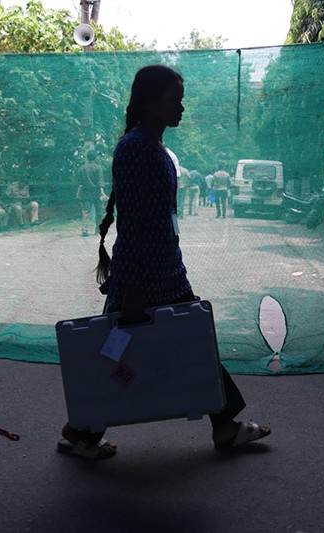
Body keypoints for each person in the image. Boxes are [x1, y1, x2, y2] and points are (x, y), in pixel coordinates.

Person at [58, 64, 271, 460]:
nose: (182, 108)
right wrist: (133, 287)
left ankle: (222, 425)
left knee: (176, 344)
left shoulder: (152, 148)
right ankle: (80, 432)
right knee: (123, 353)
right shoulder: (137, 148)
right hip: (145, 278)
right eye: (175, 100)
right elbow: (134, 222)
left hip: (165, 273)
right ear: (150, 102)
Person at [78, 151, 108, 237]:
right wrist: (102, 192)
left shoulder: (82, 168)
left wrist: (79, 192)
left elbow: (80, 182)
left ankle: (84, 230)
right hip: (96, 193)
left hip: (85, 193)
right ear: (95, 158)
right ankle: (98, 230)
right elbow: (100, 181)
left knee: (85, 211)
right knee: (99, 212)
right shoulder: (98, 168)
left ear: (87, 157)